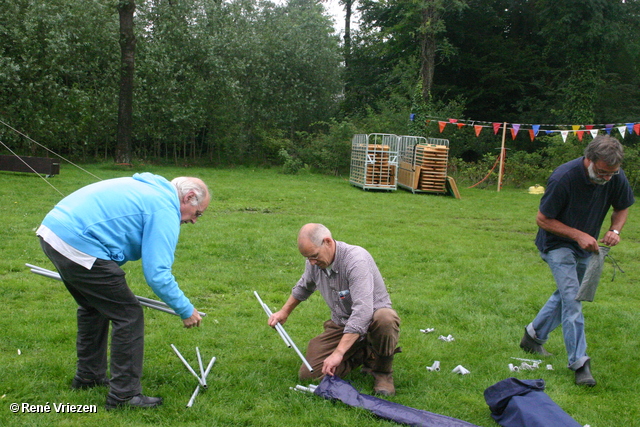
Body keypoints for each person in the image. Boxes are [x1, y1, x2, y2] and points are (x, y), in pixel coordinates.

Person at [36, 173, 210, 409]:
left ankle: (88, 378)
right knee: (128, 314)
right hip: (77, 241)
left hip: (53, 232)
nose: (194, 221)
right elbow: (157, 274)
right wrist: (185, 309)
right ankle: (124, 396)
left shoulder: (149, 189)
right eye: (197, 213)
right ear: (189, 197)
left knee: (93, 307)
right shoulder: (164, 207)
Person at [520, 135, 634, 386]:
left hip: (586, 246)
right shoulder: (564, 177)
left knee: (568, 294)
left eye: (611, 174)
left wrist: (615, 230)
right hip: (556, 244)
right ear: (589, 160)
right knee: (573, 299)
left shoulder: (614, 176)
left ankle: (533, 336)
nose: (606, 178)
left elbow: (623, 206)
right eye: (603, 172)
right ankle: (579, 363)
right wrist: (578, 234)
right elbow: (542, 219)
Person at [268, 223, 401, 396]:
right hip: (341, 324)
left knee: (386, 318)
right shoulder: (314, 262)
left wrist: (338, 353)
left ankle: (382, 371)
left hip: (371, 321)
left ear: (328, 242)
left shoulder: (356, 260)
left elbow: (363, 311)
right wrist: (284, 312)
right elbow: (304, 286)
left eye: (314, 256)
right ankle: (363, 353)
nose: (312, 262)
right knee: (310, 374)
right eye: (308, 258)